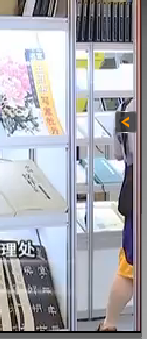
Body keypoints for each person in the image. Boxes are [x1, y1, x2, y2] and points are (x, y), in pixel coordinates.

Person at [98, 98, 135, 331]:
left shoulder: (128, 109)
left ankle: (109, 326)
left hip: (137, 192)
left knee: (130, 267)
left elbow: (120, 153)